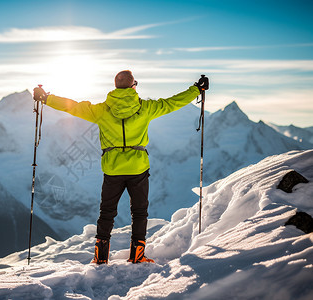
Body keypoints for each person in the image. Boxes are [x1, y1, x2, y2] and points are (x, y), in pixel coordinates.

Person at [33, 70, 207, 264]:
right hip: (138, 168)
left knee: (106, 212)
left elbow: (73, 107)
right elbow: (173, 102)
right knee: (139, 212)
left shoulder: (101, 110)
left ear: (115, 87)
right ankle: (137, 255)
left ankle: (100, 257)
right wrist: (196, 90)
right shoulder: (146, 108)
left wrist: (46, 98)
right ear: (133, 86)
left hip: (112, 169)